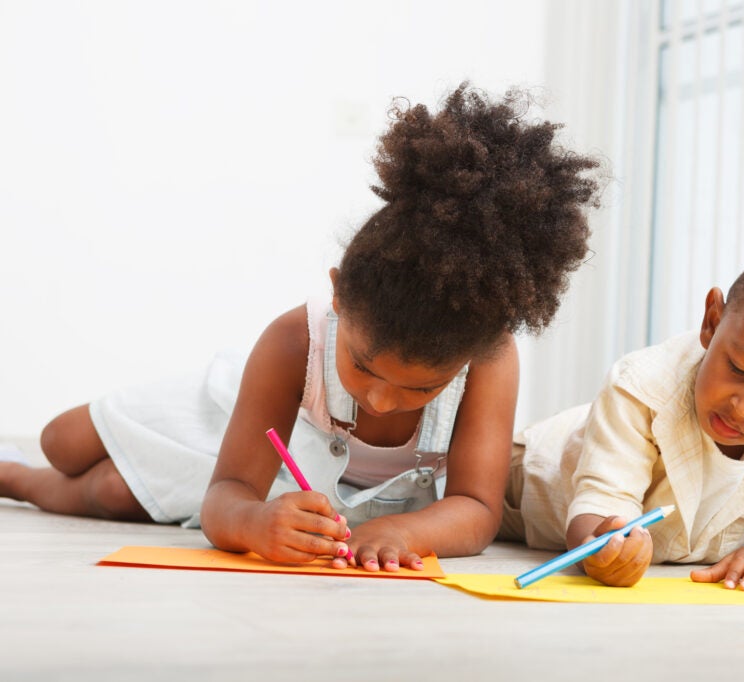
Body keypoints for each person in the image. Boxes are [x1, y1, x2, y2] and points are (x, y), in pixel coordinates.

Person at [0, 82, 602, 572]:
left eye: (420, 388)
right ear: (337, 293)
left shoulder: (489, 358)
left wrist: (403, 530)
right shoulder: (295, 340)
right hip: (244, 426)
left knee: (110, 493)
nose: (379, 398)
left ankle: (20, 483)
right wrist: (253, 520)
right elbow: (229, 491)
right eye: (363, 366)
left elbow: (475, 509)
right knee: (62, 441)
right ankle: (23, 465)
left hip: (302, 488)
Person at [499, 225, 744, 591]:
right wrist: (605, 549)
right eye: (738, 368)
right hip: (525, 478)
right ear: (712, 321)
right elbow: (600, 502)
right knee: (464, 499)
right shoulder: (641, 386)